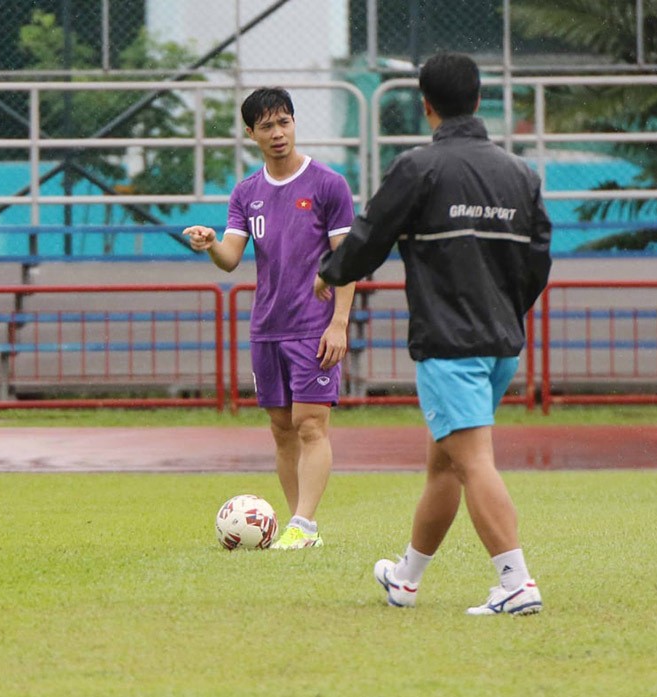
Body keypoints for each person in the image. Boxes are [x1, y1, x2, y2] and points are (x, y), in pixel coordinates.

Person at [315, 52, 552, 614]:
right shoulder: (522, 174)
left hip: (450, 345)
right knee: (444, 461)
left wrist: (331, 274)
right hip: (500, 342)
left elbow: (371, 234)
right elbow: (539, 260)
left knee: (471, 460)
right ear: (477, 100)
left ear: (426, 106)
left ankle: (516, 582)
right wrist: (506, 310)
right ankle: (406, 578)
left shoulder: (419, 167)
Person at [184, 87, 356, 550]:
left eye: (284, 122)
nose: (278, 133)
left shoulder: (328, 184)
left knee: (311, 424)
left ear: (295, 123)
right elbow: (231, 258)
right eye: (267, 126)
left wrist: (338, 322)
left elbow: (348, 261)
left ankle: (303, 524)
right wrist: (208, 244)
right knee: (282, 429)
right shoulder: (246, 192)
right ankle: (302, 530)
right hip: (267, 327)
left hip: (314, 326)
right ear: (250, 133)